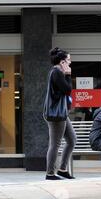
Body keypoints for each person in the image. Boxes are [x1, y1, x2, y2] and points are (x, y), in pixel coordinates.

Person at [43, 47, 76, 180]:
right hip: (56, 115)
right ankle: (50, 173)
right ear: (62, 62)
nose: (70, 63)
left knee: (72, 140)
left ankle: (62, 169)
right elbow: (68, 90)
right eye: (68, 60)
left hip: (61, 113)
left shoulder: (57, 72)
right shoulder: (56, 72)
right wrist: (68, 75)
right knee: (55, 144)